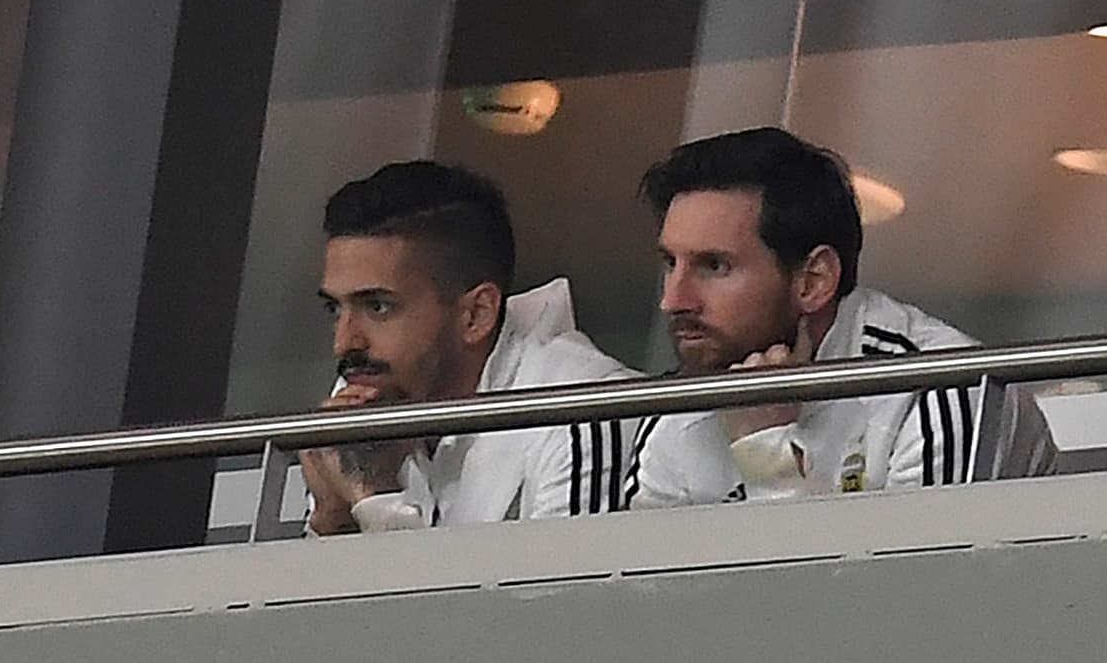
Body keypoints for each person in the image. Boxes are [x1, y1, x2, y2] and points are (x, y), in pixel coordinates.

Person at [625, 127, 1057, 508]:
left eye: (714, 266)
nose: (673, 300)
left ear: (813, 281)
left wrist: (765, 453)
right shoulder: (673, 413)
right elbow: (637, 594)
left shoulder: (941, 390)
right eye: (670, 264)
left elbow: (918, 594)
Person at [301, 161, 637, 534]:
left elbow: (564, 591)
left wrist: (375, 499)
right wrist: (333, 516)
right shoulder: (372, 392)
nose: (344, 342)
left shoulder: (583, 410)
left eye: (378, 307)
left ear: (476, 315)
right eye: (335, 308)